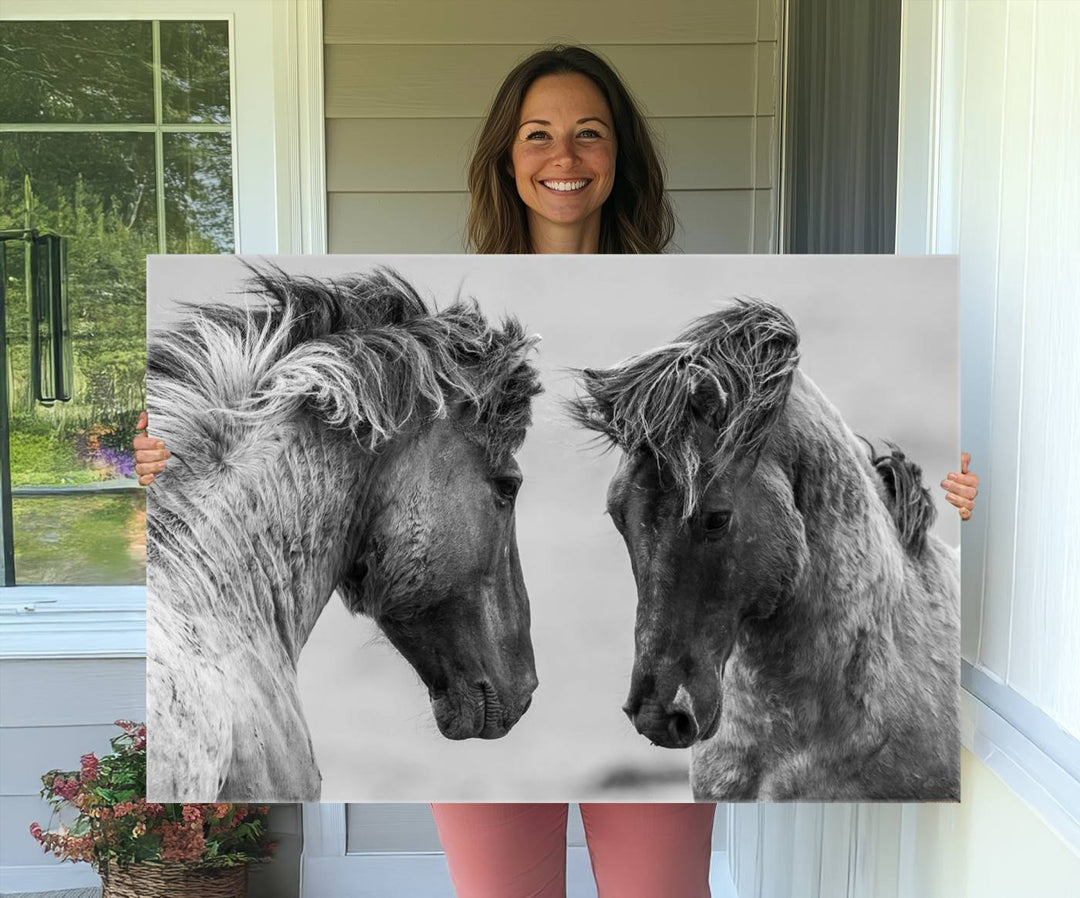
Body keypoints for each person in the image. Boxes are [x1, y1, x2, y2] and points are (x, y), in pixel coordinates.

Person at [134, 45, 979, 898]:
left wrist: (971, 497)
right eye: (537, 135)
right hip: (529, 700)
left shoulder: (700, 307)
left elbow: (800, 464)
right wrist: (144, 461)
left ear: (622, 158)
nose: (564, 159)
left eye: (590, 135)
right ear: (506, 158)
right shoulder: (436, 303)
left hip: (655, 683)